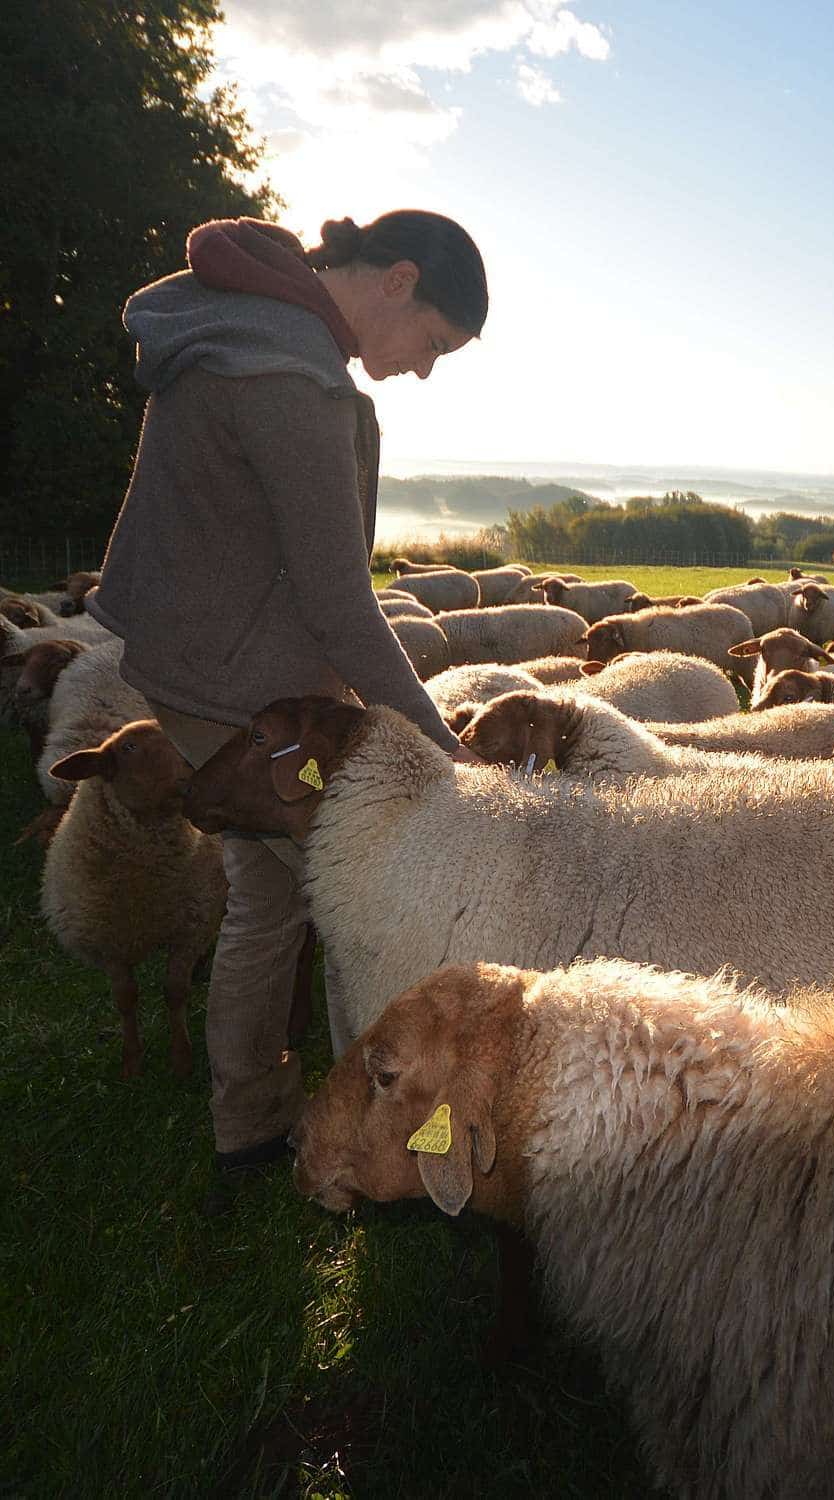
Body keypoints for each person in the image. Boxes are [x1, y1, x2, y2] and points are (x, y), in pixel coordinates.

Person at [87, 211, 487, 1209]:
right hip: (245, 700)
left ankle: (251, 1130)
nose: (425, 371)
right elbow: (341, 606)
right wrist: (444, 752)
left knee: (267, 906)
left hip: (202, 668)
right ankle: (381, 1153)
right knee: (357, 909)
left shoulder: (236, 327)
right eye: (434, 344)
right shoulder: (290, 378)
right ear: (398, 280)